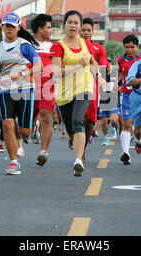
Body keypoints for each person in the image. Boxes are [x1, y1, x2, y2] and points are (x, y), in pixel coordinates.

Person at [0, 12, 41, 175]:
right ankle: (14, 162)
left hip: (24, 89)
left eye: (13, 26)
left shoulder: (24, 45)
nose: (9, 29)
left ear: (19, 28)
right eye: (7, 26)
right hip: (6, 90)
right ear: (2, 27)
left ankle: (34, 128)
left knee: (25, 133)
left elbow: (38, 65)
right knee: (7, 123)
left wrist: (22, 74)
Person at [51, 10, 97, 176]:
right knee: (71, 130)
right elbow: (56, 72)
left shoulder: (86, 44)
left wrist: (95, 71)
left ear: (80, 25)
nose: (73, 25)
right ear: (64, 24)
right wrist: (78, 65)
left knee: (79, 120)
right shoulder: (58, 46)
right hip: (64, 94)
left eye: (76, 23)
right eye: (70, 22)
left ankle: (78, 160)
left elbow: (92, 60)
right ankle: (74, 142)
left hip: (84, 88)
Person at [30, 13, 55, 166]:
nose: (50, 31)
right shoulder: (26, 44)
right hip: (29, 87)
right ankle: (30, 132)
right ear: (40, 29)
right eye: (48, 28)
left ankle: (43, 151)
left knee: (46, 117)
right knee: (25, 125)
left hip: (47, 87)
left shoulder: (52, 47)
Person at [79, 18, 106, 155]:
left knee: (89, 121)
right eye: (83, 30)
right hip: (74, 85)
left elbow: (103, 66)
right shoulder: (71, 46)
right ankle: (75, 138)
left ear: (92, 32)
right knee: (76, 118)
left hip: (92, 87)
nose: (85, 33)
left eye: (88, 30)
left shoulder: (99, 48)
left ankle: (82, 149)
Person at [116, 35, 141, 164]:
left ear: (137, 47)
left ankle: (139, 139)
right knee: (127, 124)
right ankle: (126, 153)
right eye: (127, 47)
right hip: (127, 95)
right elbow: (120, 73)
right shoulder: (120, 60)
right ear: (124, 47)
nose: (130, 50)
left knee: (138, 129)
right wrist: (117, 84)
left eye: (133, 47)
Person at [98, 58, 120, 146]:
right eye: (106, 64)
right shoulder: (101, 75)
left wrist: (116, 88)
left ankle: (114, 129)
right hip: (103, 101)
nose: (108, 65)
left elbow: (121, 85)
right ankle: (106, 137)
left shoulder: (116, 74)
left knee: (114, 120)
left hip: (114, 100)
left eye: (110, 63)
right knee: (103, 122)